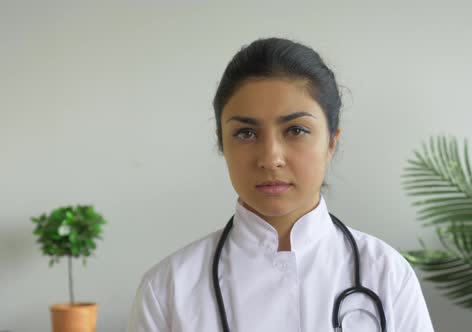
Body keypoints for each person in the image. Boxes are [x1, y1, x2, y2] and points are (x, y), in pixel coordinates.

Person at [126, 37, 434, 332]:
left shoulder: (386, 274)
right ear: (222, 143)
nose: (270, 158)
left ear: (331, 143)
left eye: (296, 130)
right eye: (246, 133)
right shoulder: (168, 288)